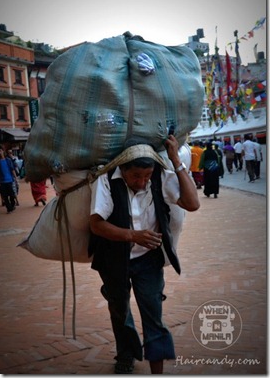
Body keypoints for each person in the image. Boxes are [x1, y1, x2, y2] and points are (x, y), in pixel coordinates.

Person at [88, 135, 200, 374]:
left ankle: (156, 370)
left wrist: (175, 162)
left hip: (149, 261)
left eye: (146, 176)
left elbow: (192, 204)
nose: (141, 182)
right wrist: (133, 235)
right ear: (122, 169)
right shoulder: (106, 180)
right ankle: (126, 355)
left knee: (153, 315)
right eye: (135, 176)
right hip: (113, 260)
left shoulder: (160, 177)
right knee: (120, 311)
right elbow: (96, 225)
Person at [0, 145, 18, 213]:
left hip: (9, 180)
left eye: (0, 151)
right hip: (2, 181)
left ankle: (12, 205)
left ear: (3, 151)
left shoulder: (8, 160)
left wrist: (15, 178)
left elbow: (12, 169)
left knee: (12, 195)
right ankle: (8, 208)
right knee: (5, 196)